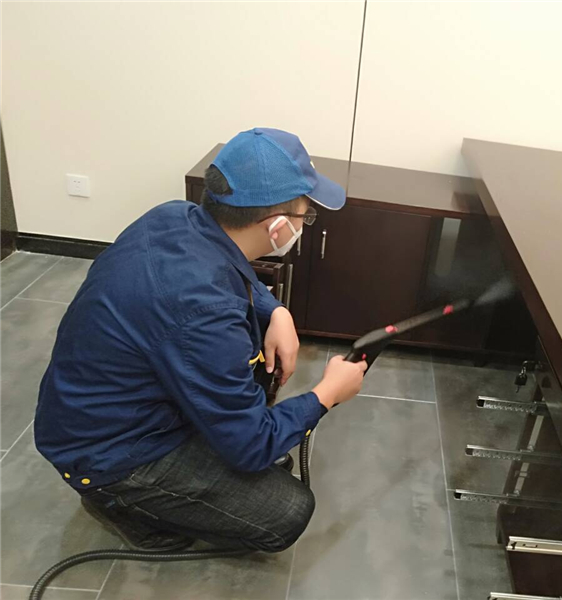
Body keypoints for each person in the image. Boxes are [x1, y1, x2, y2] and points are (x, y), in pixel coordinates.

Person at [34, 128, 368, 552]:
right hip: (106, 451)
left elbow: (230, 274)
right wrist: (327, 395)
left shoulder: (174, 216)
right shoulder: (203, 313)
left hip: (105, 407)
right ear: (278, 226)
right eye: (306, 215)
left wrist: (276, 311)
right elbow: (252, 446)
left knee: (251, 413)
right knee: (287, 512)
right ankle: (118, 501)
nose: (306, 223)